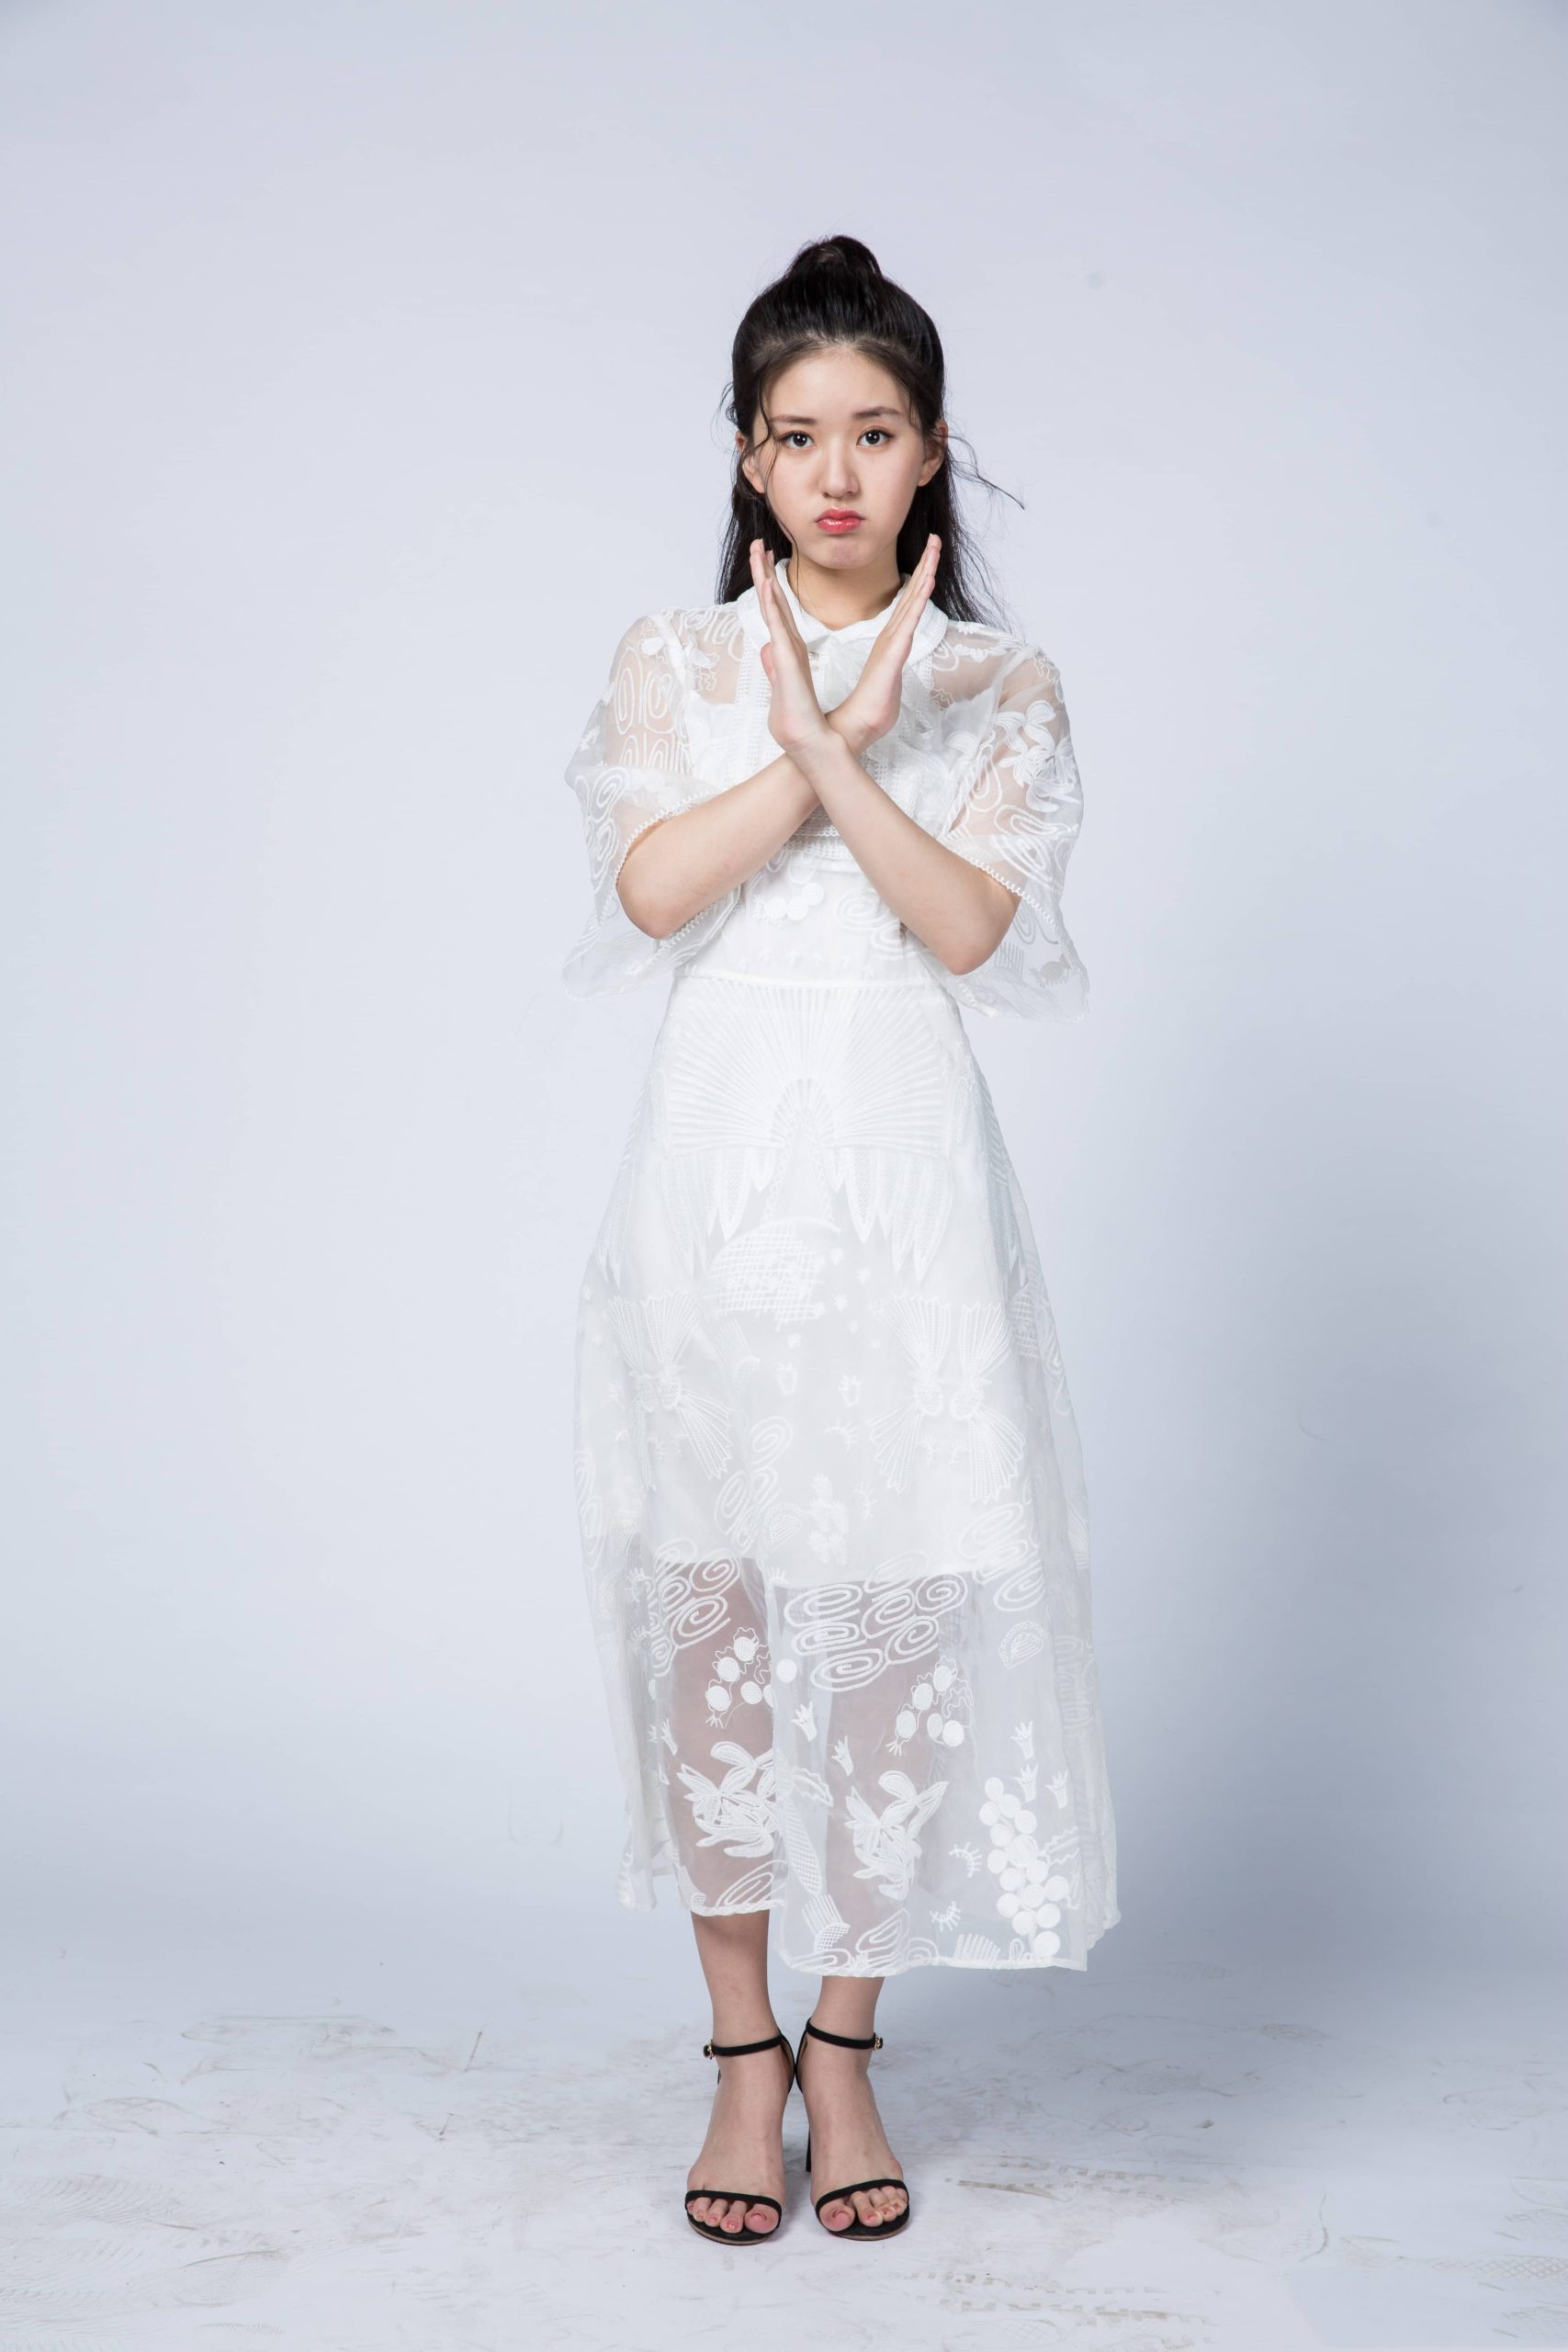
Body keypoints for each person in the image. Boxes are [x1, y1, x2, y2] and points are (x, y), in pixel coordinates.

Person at [560, 234, 1119, 2246]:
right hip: (718, 1181)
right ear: (744, 457)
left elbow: (968, 928)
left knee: (897, 1599)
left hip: (899, 1184)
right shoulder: (675, 658)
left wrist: (842, 748)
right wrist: (793, 737)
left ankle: (846, 2037)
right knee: (711, 1600)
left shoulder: (995, 684)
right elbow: (650, 891)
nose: (833, 472)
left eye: (872, 432)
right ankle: (740, 2052)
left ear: (931, 450)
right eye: (794, 436)